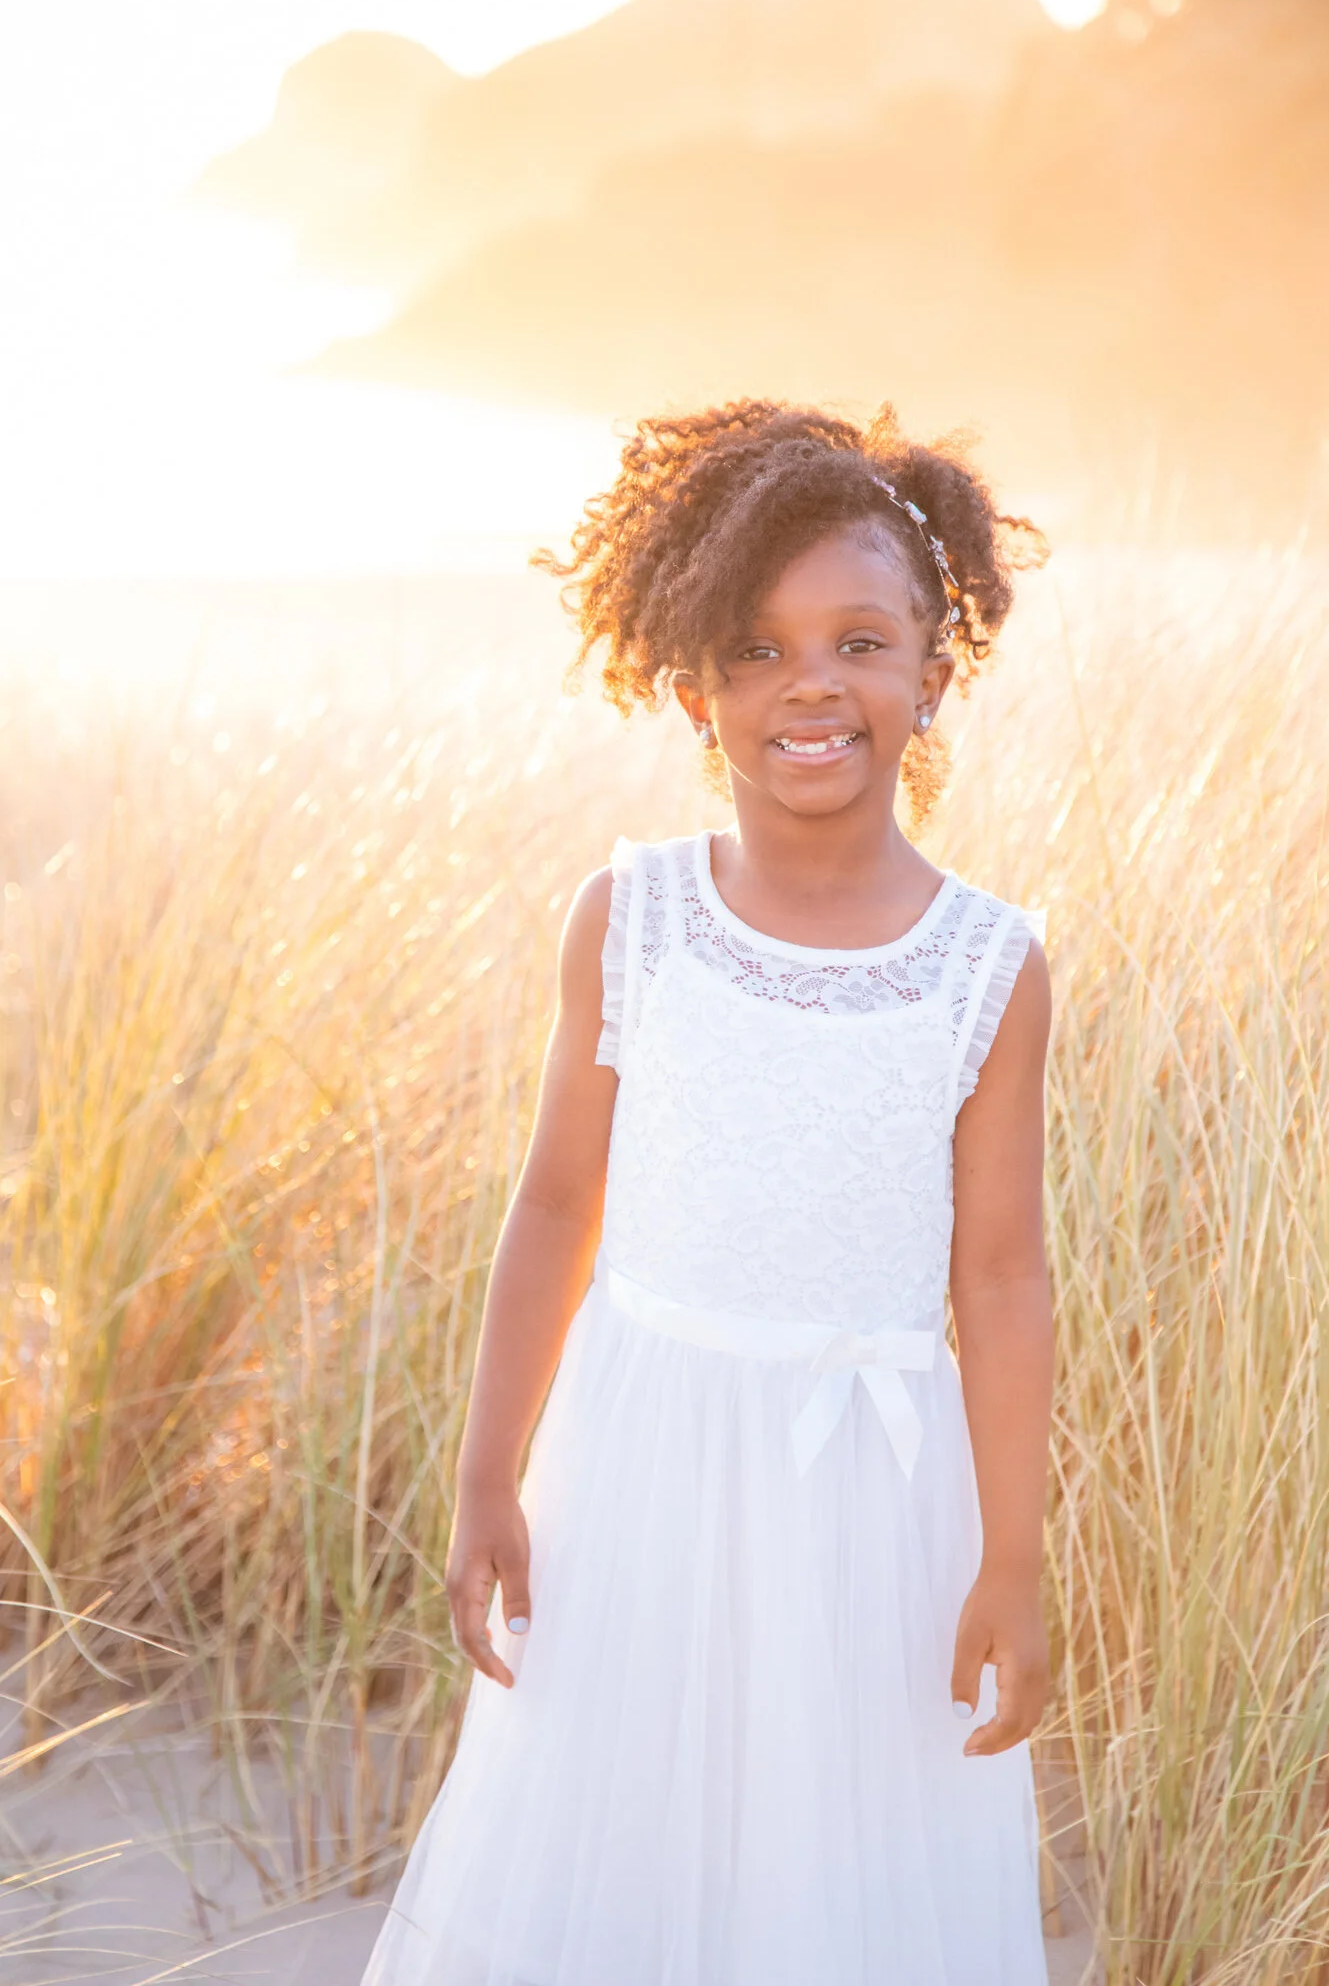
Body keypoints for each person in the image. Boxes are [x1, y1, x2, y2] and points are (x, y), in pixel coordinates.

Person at [361, 400, 1056, 1985]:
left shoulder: (989, 968)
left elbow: (1003, 1277)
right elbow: (553, 1208)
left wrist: (1009, 1556)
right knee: (620, 1847)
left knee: (840, 1873)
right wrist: (489, 1479)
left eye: (859, 641)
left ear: (933, 674)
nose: (809, 683)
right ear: (689, 685)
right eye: (754, 649)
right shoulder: (636, 918)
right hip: (640, 1473)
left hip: (877, 1506)